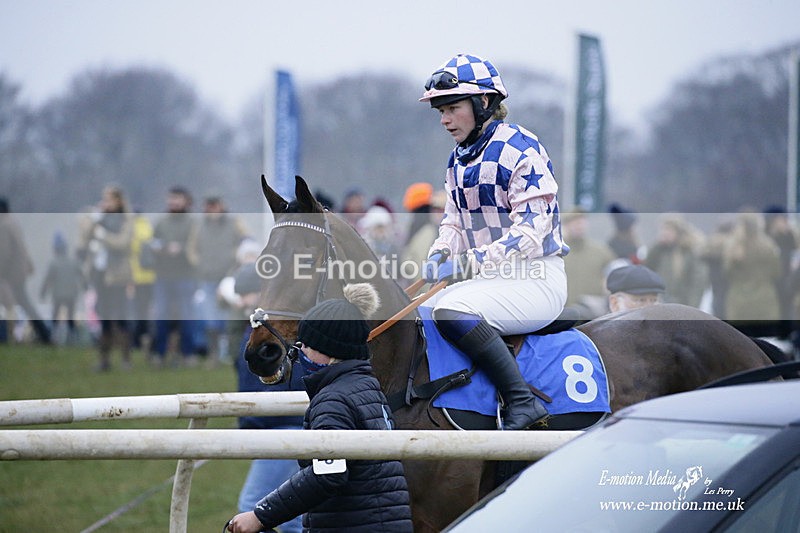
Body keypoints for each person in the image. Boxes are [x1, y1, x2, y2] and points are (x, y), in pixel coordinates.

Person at [418, 53, 569, 430]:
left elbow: (530, 232)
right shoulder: (458, 160)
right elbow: (454, 221)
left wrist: (471, 262)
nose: (445, 120)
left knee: (451, 311)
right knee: (416, 316)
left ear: (484, 102)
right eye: (440, 111)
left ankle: (523, 403)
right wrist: (439, 252)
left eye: (452, 108)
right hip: (487, 279)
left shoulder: (521, 147)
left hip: (535, 278)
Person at [227, 283, 412, 533]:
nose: (299, 352)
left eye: (307, 345)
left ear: (330, 351)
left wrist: (261, 515)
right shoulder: (367, 387)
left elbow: (328, 474)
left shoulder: (334, 399)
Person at [187, 192, 249, 365]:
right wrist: (199, 264)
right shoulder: (199, 226)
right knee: (210, 318)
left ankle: (231, 354)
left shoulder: (235, 223)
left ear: (222, 205)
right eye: (209, 205)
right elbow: (191, 249)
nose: (211, 208)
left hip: (229, 278)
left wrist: (236, 258)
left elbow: (246, 240)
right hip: (207, 279)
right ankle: (213, 355)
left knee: (230, 317)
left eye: (215, 204)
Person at [79, 185, 134, 371]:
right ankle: (104, 360)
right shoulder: (100, 219)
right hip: (100, 275)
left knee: (120, 317)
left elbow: (123, 243)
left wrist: (104, 235)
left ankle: (126, 359)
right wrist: (93, 221)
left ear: (118, 201)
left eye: (109, 199)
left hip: (117, 276)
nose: (105, 203)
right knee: (103, 316)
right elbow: (84, 239)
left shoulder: (126, 220)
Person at [150, 186, 197, 366]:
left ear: (186, 201)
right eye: (171, 198)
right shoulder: (161, 222)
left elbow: (197, 247)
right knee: (161, 315)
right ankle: (159, 354)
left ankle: (188, 354)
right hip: (162, 276)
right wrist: (162, 249)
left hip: (185, 276)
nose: (173, 202)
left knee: (186, 316)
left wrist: (181, 249)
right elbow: (153, 244)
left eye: (177, 198)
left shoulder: (193, 223)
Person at [0, 197, 52, 344]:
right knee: (24, 303)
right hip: (18, 272)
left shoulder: (3, 225)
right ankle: (44, 334)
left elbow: (4, 252)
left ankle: (10, 335)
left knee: (16, 303)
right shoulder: (12, 222)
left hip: (11, 273)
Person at [561, 208, 616, 319]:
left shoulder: (601, 251)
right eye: (574, 222)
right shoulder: (557, 253)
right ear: (565, 225)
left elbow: (616, 276)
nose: (578, 226)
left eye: (581, 222)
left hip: (593, 314)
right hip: (563, 314)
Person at [39, 232, 85, 344]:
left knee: (55, 317)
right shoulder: (74, 261)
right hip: (72, 294)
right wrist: (86, 287)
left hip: (58, 295)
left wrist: (43, 293)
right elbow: (82, 276)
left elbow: (47, 280)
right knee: (70, 317)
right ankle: (73, 339)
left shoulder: (54, 263)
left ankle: (54, 338)